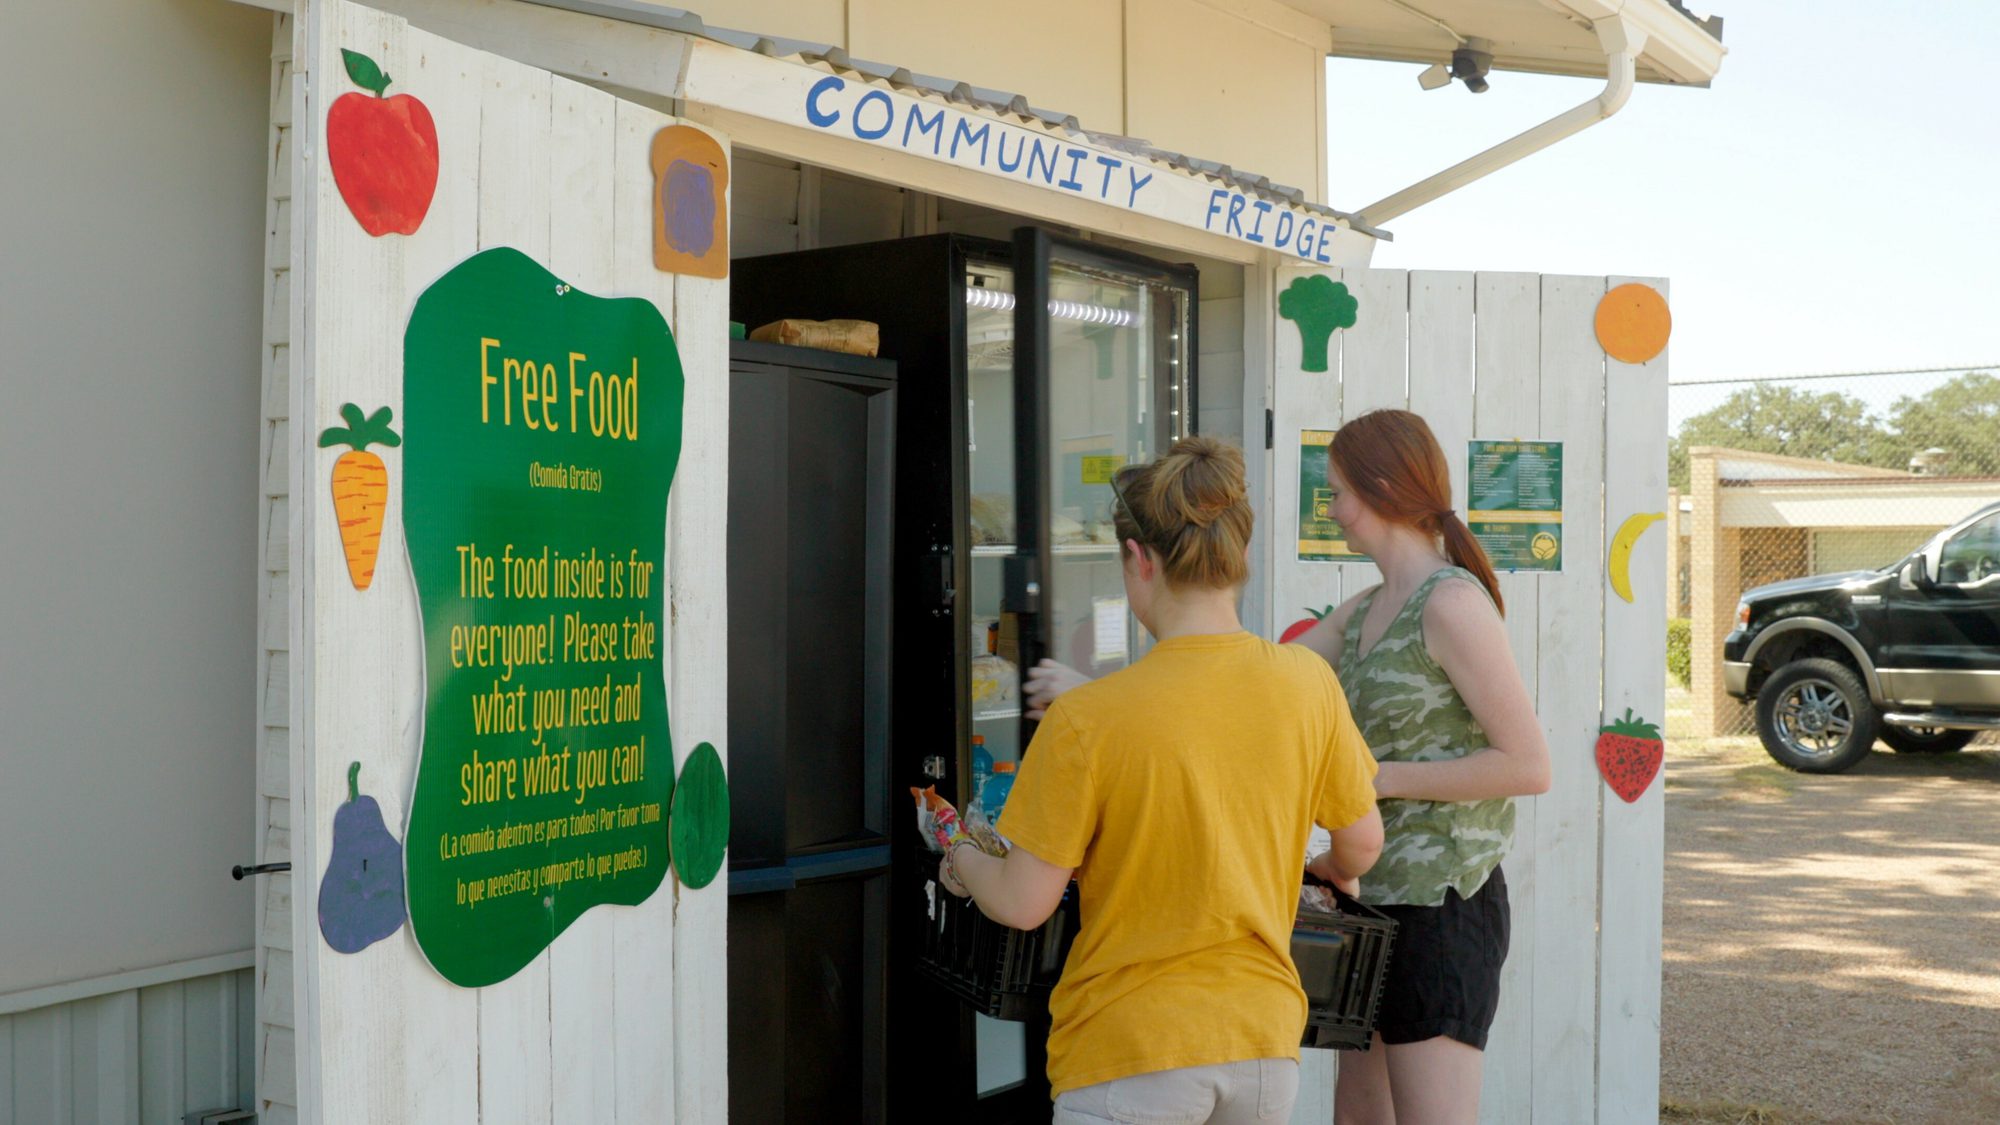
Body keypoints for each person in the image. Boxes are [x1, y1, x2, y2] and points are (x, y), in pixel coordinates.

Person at [1028, 409, 1549, 1125]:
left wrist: (1380, 778)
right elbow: (1233, 686)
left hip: (1443, 905)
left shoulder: (1453, 601)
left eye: (1336, 491)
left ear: (1383, 487)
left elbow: (1528, 763)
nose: (1328, 509)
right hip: (1368, 903)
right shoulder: (1367, 606)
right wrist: (1095, 698)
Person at [943, 435, 1385, 1125]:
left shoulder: (1088, 717)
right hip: (1265, 1047)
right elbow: (1362, 844)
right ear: (1238, 557)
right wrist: (1318, 867)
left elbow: (1026, 901)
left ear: (1137, 559)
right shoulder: (1308, 684)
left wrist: (963, 858)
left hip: (1131, 1049)